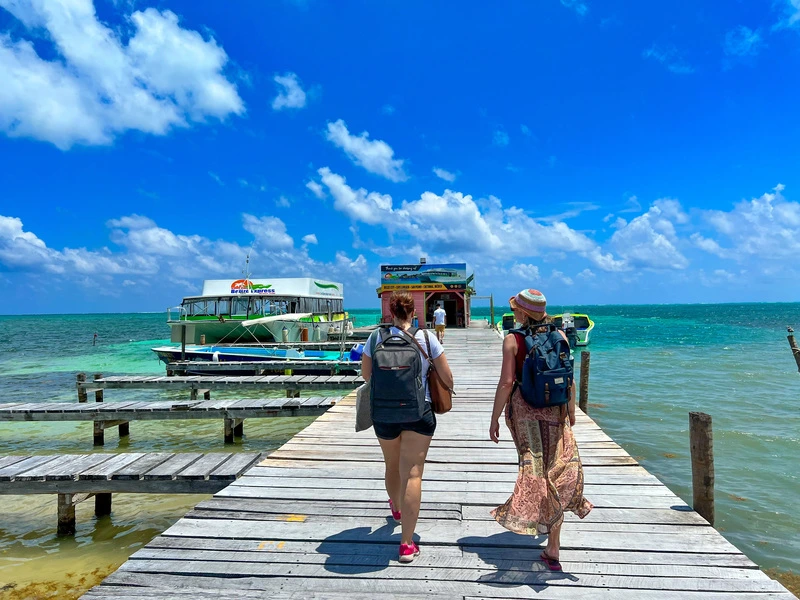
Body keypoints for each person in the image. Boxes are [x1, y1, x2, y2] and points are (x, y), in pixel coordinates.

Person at [488, 288, 592, 571]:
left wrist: (494, 418)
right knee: (554, 471)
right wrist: (571, 412)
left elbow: (506, 383)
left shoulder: (512, 340)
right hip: (556, 412)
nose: (514, 314)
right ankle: (553, 544)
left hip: (524, 415)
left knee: (535, 471)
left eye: (515, 310)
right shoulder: (560, 337)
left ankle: (538, 521)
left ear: (523, 313)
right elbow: (569, 380)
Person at [361, 291, 454, 564]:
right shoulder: (426, 338)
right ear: (414, 312)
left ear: (390, 313)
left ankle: (397, 509)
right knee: (412, 474)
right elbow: (448, 377)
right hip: (418, 412)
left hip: (383, 413)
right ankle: (406, 545)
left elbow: (366, 375)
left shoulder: (375, 338)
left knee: (392, 464)